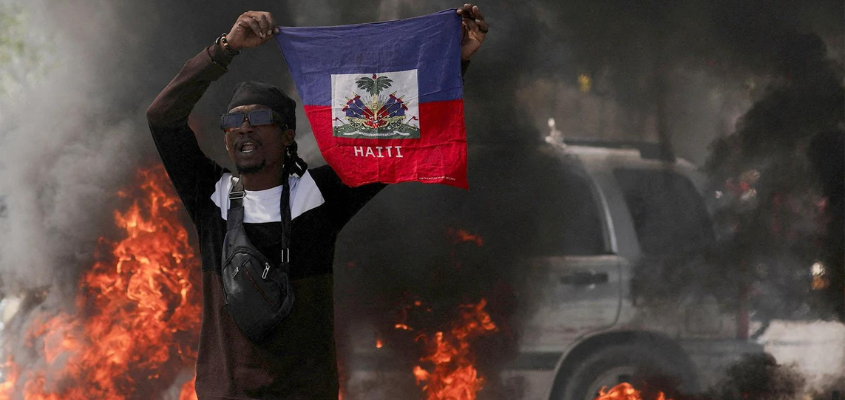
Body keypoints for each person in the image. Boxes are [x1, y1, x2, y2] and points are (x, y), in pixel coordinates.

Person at [146, 4, 487, 399]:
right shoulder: (211, 198)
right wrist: (225, 48)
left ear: (287, 135)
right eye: (233, 122)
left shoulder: (320, 196)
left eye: (257, 118)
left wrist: (455, 60)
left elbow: (399, 134)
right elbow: (162, 118)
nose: (243, 128)